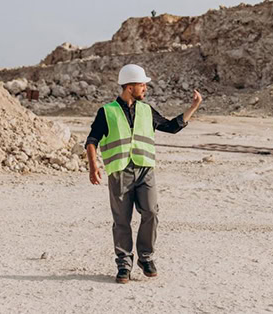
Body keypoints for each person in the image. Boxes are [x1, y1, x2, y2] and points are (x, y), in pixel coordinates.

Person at [85, 64, 202, 283]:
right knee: (122, 220)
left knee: (151, 212)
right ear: (129, 87)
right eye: (142, 84)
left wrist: (193, 107)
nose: (145, 88)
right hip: (120, 172)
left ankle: (145, 258)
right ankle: (124, 264)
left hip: (145, 170)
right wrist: (94, 166)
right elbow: (91, 140)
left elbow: (171, 127)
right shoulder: (107, 111)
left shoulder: (147, 110)